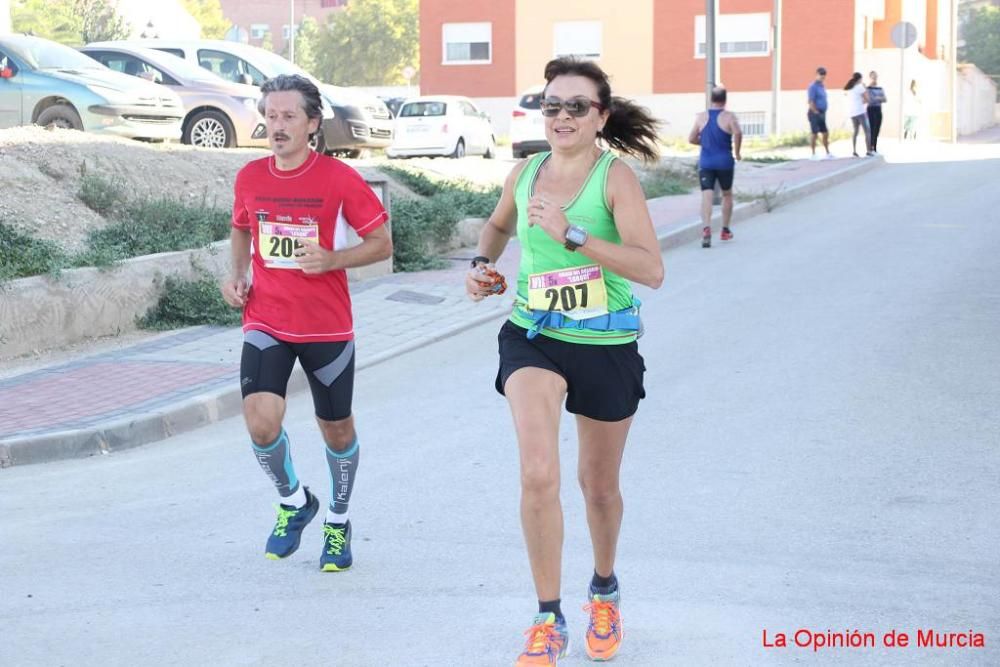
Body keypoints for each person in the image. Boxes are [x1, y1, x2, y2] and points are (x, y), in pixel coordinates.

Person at [464, 56, 664, 666]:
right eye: (552, 105)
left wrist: (575, 234)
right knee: (537, 474)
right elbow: (497, 228)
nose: (561, 116)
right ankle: (547, 616)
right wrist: (481, 268)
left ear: (600, 117)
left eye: (577, 106)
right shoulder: (524, 173)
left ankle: (603, 587)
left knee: (597, 488)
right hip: (535, 335)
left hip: (605, 343)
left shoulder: (614, 179)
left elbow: (651, 270)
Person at [221, 74, 392, 572]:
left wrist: (333, 260)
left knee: (336, 430)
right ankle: (295, 503)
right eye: (270, 115)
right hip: (266, 319)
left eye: (288, 116)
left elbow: (382, 244)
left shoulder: (340, 180)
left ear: (313, 124)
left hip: (326, 327)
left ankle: (338, 521)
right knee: (260, 421)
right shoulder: (250, 176)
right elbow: (240, 227)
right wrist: (236, 276)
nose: (276, 125)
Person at [689, 86, 743, 248]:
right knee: (727, 194)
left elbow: (691, 138)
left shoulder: (701, 117)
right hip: (725, 161)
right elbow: (738, 133)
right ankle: (725, 229)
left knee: (707, 195)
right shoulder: (729, 117)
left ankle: (706, 228)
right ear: (725, 100)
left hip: (706, 162)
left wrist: (704, 142)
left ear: (711, 99)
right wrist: (738, 152)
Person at [844, 72, 873, 157]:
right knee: (867, 131)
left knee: (855, 131)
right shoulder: (860, 87)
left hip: (852, 113)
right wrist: (865, 90)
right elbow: (867, 99)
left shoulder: (849, 88)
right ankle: (869, 151)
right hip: (860, 112)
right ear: (860, 79)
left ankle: (854, 151)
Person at [808, 67, 833, 159]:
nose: (822, 77)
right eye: (820, 75)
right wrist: (815, 111)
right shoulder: (813, 86)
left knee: (825, 133)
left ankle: (827, 153)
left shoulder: (822, 86)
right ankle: (813, 154)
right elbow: (811, 101)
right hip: (814, 112)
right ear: (816, 75)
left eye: (823, 76)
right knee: (814, 133)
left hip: (822, 113)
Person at [866, 71, 886, 153]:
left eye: (876, 77)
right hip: (871, 109)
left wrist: (877, 98)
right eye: (873, 77)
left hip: (878, 109)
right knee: (872, 128)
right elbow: (870, 99)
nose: (874, 78)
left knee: (877, 128)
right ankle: (870, 147)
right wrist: (879, 98)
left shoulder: (880, 88)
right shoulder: (868, 88)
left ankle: (875, 147)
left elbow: (885, 99)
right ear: (870, 77)